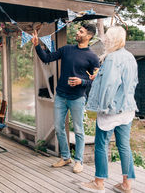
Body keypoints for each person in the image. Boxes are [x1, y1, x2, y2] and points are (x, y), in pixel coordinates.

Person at [31, 23, 99, 173]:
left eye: (81, 31)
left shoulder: (93, 57)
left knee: (79, 130)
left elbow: (96, 79)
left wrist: (82, 81)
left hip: (77, 98)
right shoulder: (67, 49)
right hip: (61, 96)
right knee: (59, 127)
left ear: (88, 36)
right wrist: (37, 46)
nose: (78, 32)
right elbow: (46, 58)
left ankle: (78, 161)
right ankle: (66, 157)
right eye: (78, 30)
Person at [80, 26, 138, 193]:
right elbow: (131, 83)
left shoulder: (112, 58)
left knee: (101, 144)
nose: (104, 40)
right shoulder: (130, 57)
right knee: (124, 146)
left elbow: (109, 86)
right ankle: (127, 184)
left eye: (106, 37)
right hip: (127, 109)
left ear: (112, 39)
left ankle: (99, 182)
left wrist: (102, 107)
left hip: (111, 110)